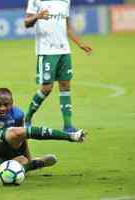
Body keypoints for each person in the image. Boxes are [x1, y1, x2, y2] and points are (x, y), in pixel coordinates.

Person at [24, 0, 93, 132]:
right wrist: (37, 16)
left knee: (65, 85)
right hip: (46, 51)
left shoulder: (65, 1)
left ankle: (68, 125)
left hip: (64, 51)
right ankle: (27, 118)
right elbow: (26, 22)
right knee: (46, 88)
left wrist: (80, 44)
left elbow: (67, 27)